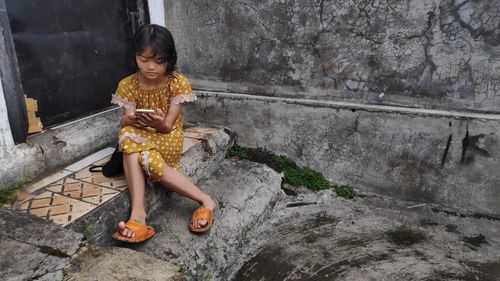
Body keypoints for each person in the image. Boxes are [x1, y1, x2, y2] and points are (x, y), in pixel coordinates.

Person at [110, 24, 216, 243]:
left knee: (134, 145)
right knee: (130, 136)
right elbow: (125, 120)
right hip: (139, 136)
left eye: (159, 61)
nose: (150, 67)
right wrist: (130, 118)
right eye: (143, 59)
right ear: (135, 57)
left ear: (169, 59)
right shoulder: (128, 85)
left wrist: (159, 123)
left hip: (168, 137)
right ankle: (138, 215)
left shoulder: (177, 83)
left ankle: (205, 200)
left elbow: (168, 126)